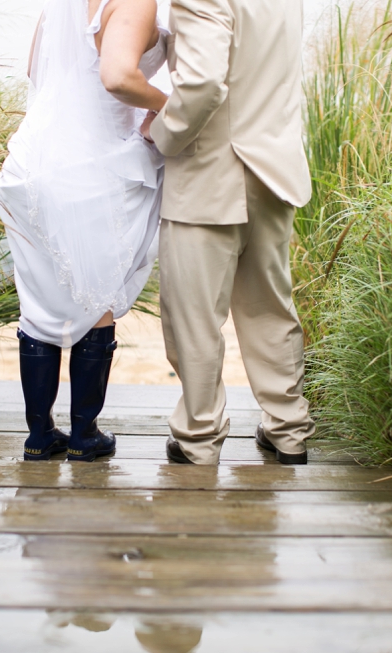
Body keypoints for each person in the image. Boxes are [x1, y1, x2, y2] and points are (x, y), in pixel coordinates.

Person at [140, 0, 316, 465]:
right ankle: (289, 430)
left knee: (193, 316)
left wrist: (162, 132)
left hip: (210, 172)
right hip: (274, 170)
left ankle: (198, 438)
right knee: (270, 308)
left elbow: (201, 83)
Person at [0, 0, 168, 462]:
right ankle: (84, 434)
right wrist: (170, 107)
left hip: (27, 166)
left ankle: (38, 435)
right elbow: (117, 77)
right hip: (89, 168)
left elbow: (37, 73)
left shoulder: (58, 7)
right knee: (98, 297)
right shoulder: (133, 2)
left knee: (38, 301)